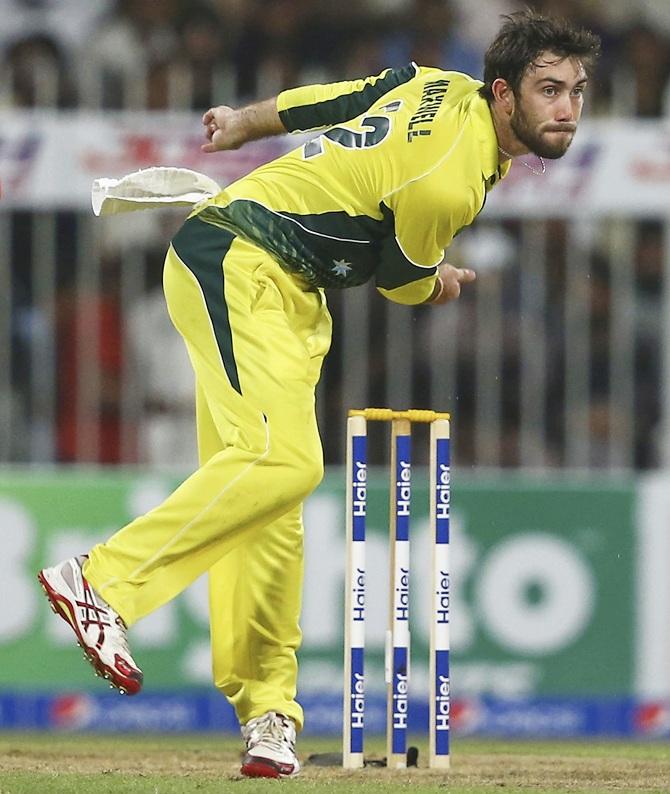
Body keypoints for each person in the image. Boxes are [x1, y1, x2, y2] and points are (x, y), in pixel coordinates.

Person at [38, 10, 600, 779]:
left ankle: (269, 712)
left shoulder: (435, 84)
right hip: (236, 262)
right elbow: (400, 283)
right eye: (548, 90)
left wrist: (243, 121)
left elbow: (326, 102)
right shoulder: (450, 179)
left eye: (576, 90)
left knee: (273, 501)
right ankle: (100, 581)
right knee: (285, 463)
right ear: (504, 94)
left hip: (291, 292)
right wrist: (438, 282)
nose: (567, 108)